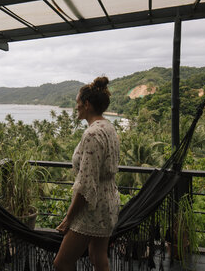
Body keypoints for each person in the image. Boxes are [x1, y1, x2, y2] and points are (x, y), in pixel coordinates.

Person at [54, 76, 120, 271]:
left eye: (78, 103)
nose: (76, 107)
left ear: (87, 104)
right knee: (97, 256)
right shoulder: (109, 127)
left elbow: (85, 186)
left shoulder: (91, 134)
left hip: (92, 207)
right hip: (109, 202)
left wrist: (69, 217)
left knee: (62, 263)